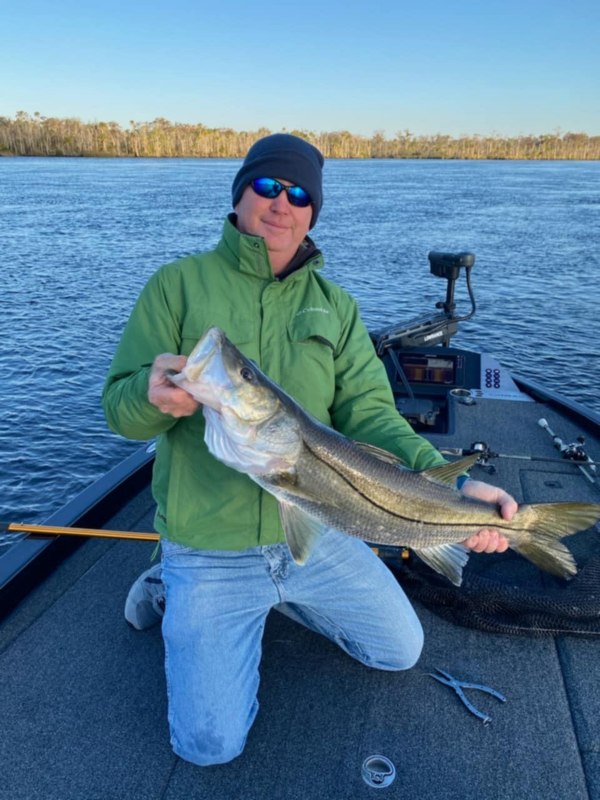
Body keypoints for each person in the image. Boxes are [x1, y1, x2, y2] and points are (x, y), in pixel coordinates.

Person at [102, 133, 515, 767]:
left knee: (399, 650)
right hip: (210, 545)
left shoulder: (337, 307)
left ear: (312, 212)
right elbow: (117, 410)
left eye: (299, 195)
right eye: (267, 187)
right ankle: (170, 579)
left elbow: (372, 415)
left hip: (318, 531)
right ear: (241, 193)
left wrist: (451, 486)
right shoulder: (176, 286)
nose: (281, 204)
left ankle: (283, 597)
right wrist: (150, 397)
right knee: (208, 746)